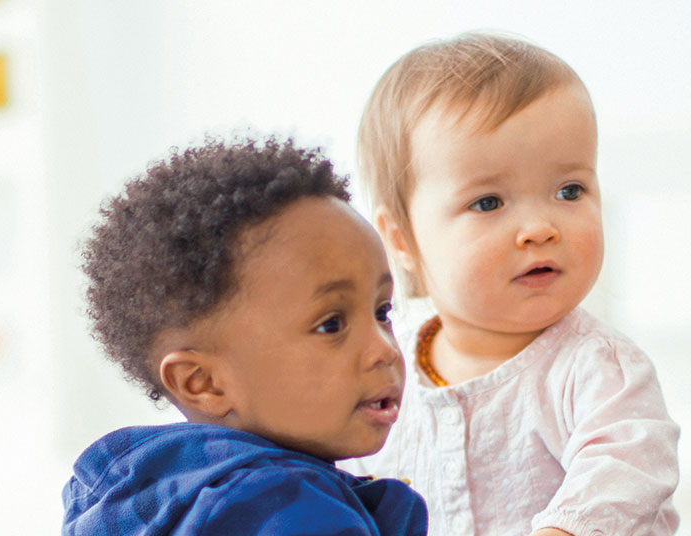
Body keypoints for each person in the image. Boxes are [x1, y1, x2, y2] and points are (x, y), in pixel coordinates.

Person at [337, 32, 680, 536]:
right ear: (401, 238)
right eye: (489, 202)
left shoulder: (598, 369)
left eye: (570, 190)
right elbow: (343, 472)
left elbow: (625, 474)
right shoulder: (382, 368)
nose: (541, 227)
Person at [61, 136, 428, 535]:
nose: (385, 350)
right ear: (203, 382)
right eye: (331, 325)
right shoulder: (298, 512)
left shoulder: (141, 497)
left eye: (382, 312)